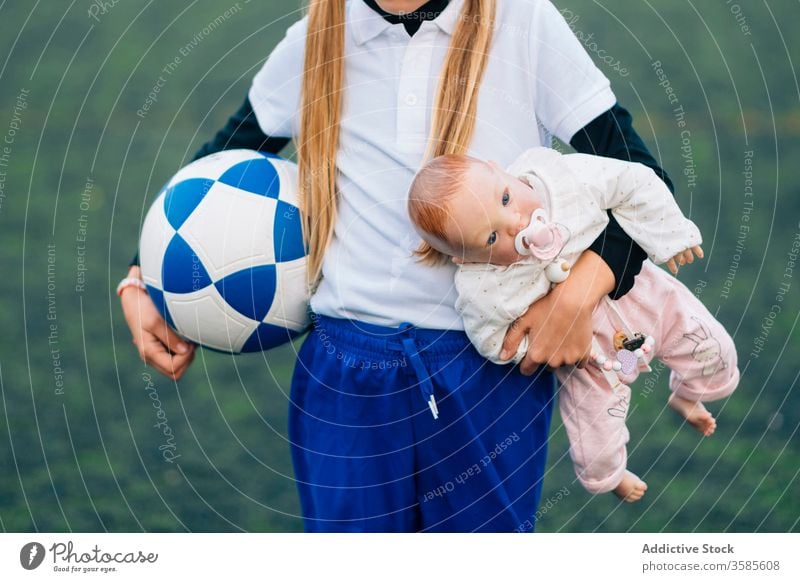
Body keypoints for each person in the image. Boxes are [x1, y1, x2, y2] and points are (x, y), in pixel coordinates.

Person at [119, 0, 687, 531]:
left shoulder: (522, 19)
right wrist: (142, 278)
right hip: (344, 374)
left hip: (487, 372)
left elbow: (639, 179)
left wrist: (578, 295)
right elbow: (222, 166)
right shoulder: (320, 35)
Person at [406, 147, 740, 502]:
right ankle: (612, 475)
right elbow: (492, 341)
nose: (516, 223)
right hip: (592, 359)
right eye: (491, 238)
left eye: (505, 198)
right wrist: (533, 335)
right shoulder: (483, 286)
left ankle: (689, 395)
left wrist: (670, 235)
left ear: (498, 167)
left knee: (714, 350)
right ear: (465, 258)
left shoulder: (561, 179)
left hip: (642, 299)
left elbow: (634, 181)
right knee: (595, 438)